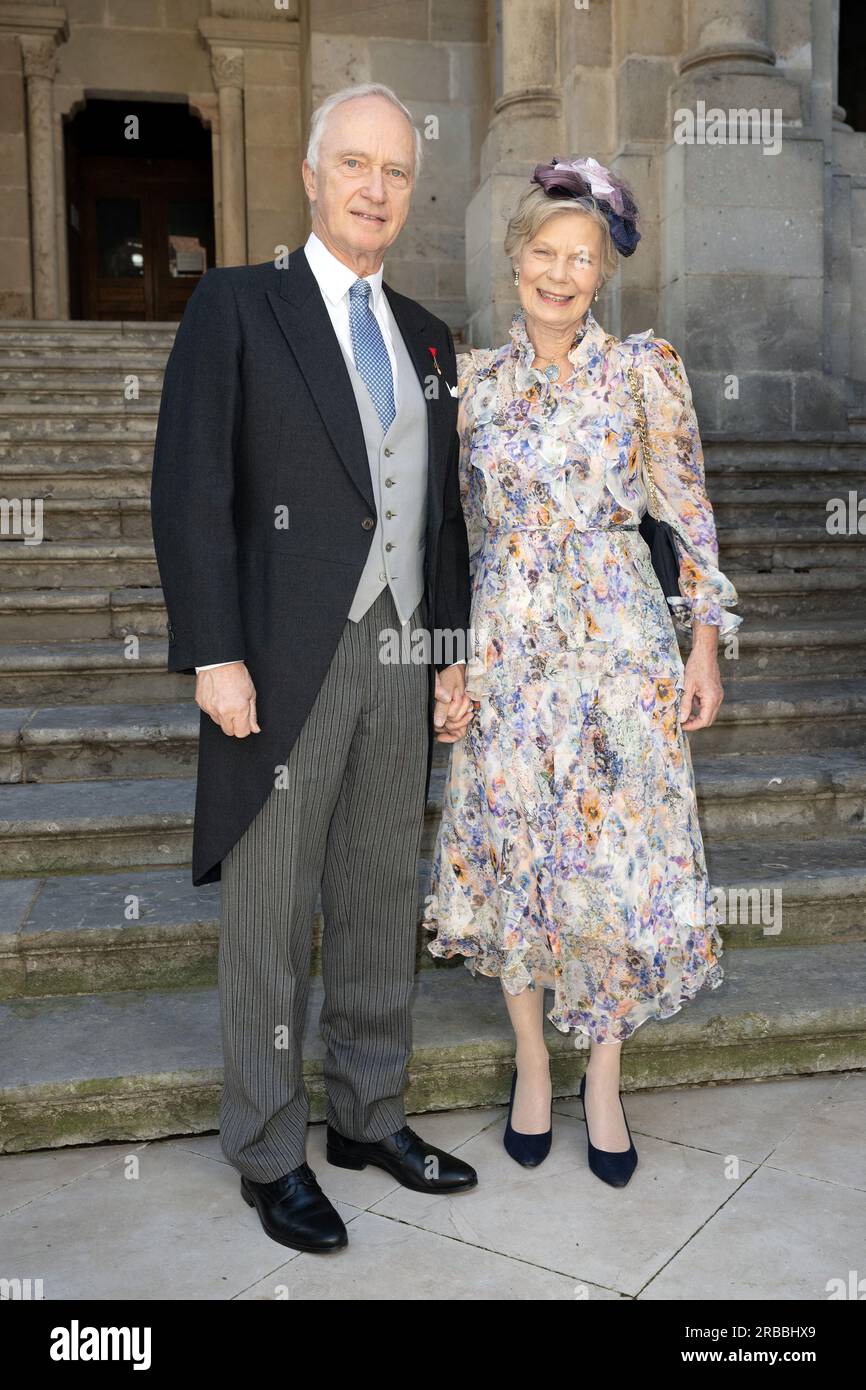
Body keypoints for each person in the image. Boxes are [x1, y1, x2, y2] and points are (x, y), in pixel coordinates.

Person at [150, 83, 477, 1255]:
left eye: (393, 171)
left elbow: (439, 521)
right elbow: (190, 488)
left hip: (401, 654)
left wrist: (445, 654)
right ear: (309, 173)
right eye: (354, 165)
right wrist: (214, 651)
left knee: (384, 896)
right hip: (280, 660)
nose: (374, 188)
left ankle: (369, 1114)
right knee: (272, 914)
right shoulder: (238, 307)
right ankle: (268, 1145)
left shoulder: (430, 337)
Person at [423, 156, 742, 1187]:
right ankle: (528, 1063)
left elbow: (684, 517)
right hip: (509, 649)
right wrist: (451, 661)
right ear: (513, 258)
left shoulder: (643, 369)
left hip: (617, 648)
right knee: (514, 855)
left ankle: (600, 1076)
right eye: (543, 254)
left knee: (610, 865)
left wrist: (701, 641)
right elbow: (456, 536)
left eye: (581, 259)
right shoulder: (471, 384)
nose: (559, 274)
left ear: (602, 274)